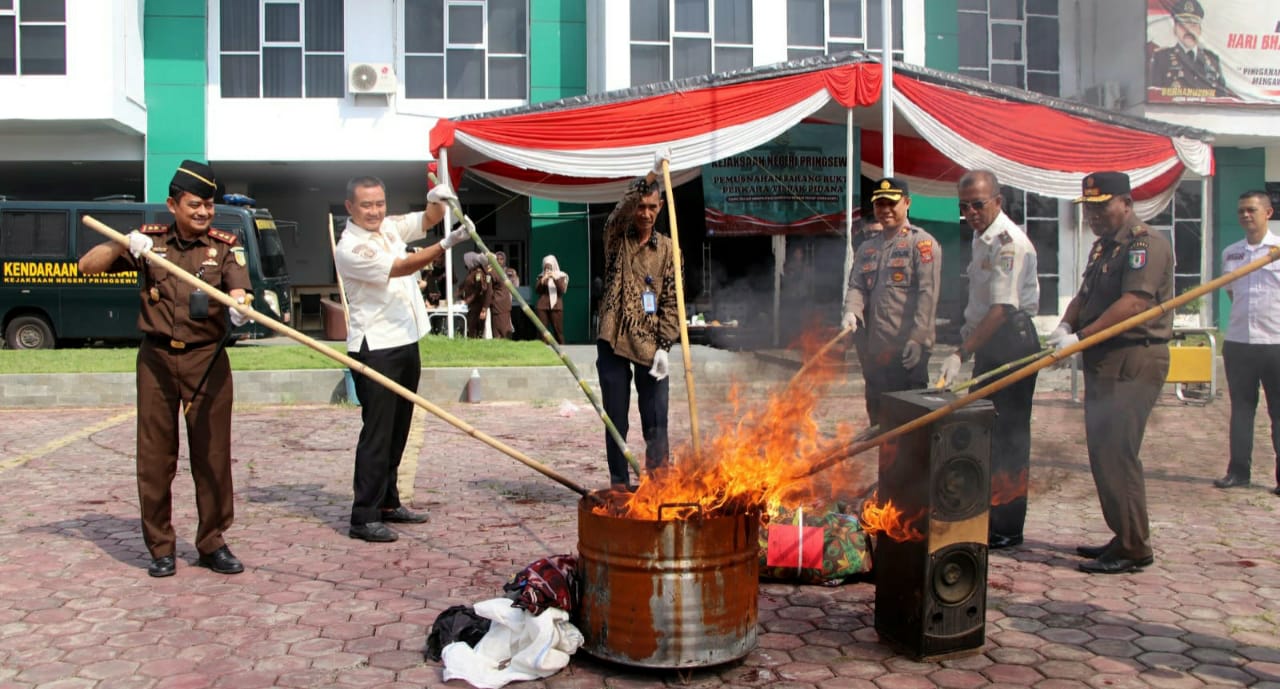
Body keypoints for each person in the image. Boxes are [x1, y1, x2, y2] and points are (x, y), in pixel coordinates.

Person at [77, 160, 251, 578]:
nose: (204, 213)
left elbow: (238, 287)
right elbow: (87, 267)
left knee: (212, 455)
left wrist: (241, 306)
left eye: (209, 205)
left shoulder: (225, 245)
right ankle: (160, 547)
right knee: (155, 458)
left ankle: (212, 542)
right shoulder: (148, 243)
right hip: (155, 360)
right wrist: (124, 245)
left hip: (207, 359)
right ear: (173, 205)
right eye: (195, 204)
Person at [1047, 171, 1173, 574]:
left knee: (1118, 451)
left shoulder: (1145, 244)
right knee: (1102, 452)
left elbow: (1135, 302)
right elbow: (1084, 297)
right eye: (1090, 209)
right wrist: (1066, 326)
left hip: (1133, 357)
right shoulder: (1103, 249)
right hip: (1103, 360)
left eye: (1103, 206)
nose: (1095, 216)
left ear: (1126, 203)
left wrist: (1081, 335)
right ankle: (1124, 533)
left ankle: (1136, 547)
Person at [334, 176, 471, 542]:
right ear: (350, 207)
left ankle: (388, 502)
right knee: (377, 433)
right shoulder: (351, 248)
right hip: (375, 348)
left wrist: (436, 197)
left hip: (406, 340)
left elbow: (426, 219)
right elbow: (402, 266)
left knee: (399, 428)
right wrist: (447, 243)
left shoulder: (389, 226)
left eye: (379, 203)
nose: (375, 211)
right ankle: (363, 515)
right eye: (366, 205)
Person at [937, 170, 1041, 550]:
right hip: (989, 340)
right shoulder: (981, 240)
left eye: (978, 204)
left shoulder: (1008, 242)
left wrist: (960, 352)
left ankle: (1008, 527)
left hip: (1011, 341)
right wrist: (965, 343)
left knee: (1010, 438)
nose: (970, 212)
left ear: (998, 201)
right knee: (987, 434)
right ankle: (990, 515)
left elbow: (1000, 308)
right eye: (963, 206)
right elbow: (979, 306)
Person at [596, 151, 680, 491]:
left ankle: (659, 485)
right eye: (641, 206)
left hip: (650, 344)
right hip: (614, 338)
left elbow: (673, 300)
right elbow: (620, 211)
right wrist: (649, 175)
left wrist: (665, 346)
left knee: (656, 419)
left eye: (652, 207)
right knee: (616, 419)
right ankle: (619, 483)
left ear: (660, 207)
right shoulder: (617, 238)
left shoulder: (669, 250)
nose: (645, 213)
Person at [841, 177, 941, 425]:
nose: (885, 210)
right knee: (880, 422)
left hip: (908, 352)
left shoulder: (922, 244)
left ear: (907, 203)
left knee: (910, 425)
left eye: (891, 203)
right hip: (876, 351)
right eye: (879, 204)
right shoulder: (867, 248)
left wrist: (918, 339)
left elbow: (928, 295)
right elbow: (857, 286)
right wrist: (851, 311)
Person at [1214, 191, 1280, 495]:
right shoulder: (1231, 253)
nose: (1245, 216)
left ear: (1268, 212)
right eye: (1241, 211)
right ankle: (1238, 471)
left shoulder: (1278, 249)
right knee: (1241, 409)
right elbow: (1231, 293)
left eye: (1251, 210)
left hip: (1275, 342)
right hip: (1240, 342)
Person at [1147, 0, 1230, 98]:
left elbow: (1222, 97)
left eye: (1193, 26)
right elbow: (1154, 96)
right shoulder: (1162, 58)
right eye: (1183, 26)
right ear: (1175, 30)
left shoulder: (1213, 60)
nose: (1188, 31)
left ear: (1199, 30)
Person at [535, 254, 569, 344]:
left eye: (549, 266)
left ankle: (561, 350)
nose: (548, 269)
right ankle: (543, 350)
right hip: (542, 306)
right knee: (543, 331)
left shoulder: (562, 276)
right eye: (546, 266)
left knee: (558, 331)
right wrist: (543, 280)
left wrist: (555, 278)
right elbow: (537, 290)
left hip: (556, 306)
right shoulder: (540, 277)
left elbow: (562, 290)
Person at [459, 251, 493, 339]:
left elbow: (479, 290)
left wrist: (468, 301)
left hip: (477, 306)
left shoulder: (479, 273)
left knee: (475, 331)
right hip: (473, 305)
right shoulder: (472, 273)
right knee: (471, 329)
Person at [488, 254, 515, 339]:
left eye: (501, 259)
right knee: (499, 326)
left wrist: (513, 276)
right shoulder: (493, 271)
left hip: (507, 301)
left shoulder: (509, 271)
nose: (499, 261)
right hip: (498, 302)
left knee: (505, 326)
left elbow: (516, 283)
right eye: (498, 259)